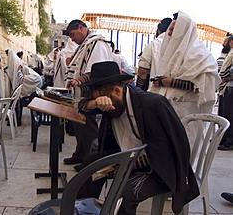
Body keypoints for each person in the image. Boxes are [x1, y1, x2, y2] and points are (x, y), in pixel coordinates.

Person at [76, 61, 199, 215]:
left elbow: (171, 151)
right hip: (128, 160)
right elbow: (81, 106)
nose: (104, 108)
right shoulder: (111, 101)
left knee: (123, 191)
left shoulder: (153, 104)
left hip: (158, 169)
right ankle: (82, 211)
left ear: (117, 91)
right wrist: (95, 103)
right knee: (90, 165)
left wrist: (124, 167)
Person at [150, 11, 220, 149]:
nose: (169, 33)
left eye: (172, 30)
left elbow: (204, 86)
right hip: (165, 110)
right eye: (169, 29)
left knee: (183, 150)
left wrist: (169, 82)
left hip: (187, 112)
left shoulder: (200, 54)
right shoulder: (169, 51)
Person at [62, 19, 119, 169]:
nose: (72, 39)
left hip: (92, 93)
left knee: (88, 127)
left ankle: (89, 160)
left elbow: (95, 70)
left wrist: (78, 80)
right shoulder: (86, 45)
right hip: (81, 92)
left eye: (73, 34)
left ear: (81, 28)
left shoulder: (97, 43)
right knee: (80, 126)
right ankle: (80, 154)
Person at [137, 17, 173, 91]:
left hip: (156, 92)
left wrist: (138, 90)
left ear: (158, 30)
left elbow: (143, 71)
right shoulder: (181, 45)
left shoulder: (154, 45)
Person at [217, 34, 233, 150]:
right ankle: (222, 138)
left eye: (226, 41)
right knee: (223, 114)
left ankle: (229, 141)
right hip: (225, 89)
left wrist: (226, 78)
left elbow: (224, 73)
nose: (224, 43)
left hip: (230, 89)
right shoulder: (229, 55)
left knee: (229, 116)